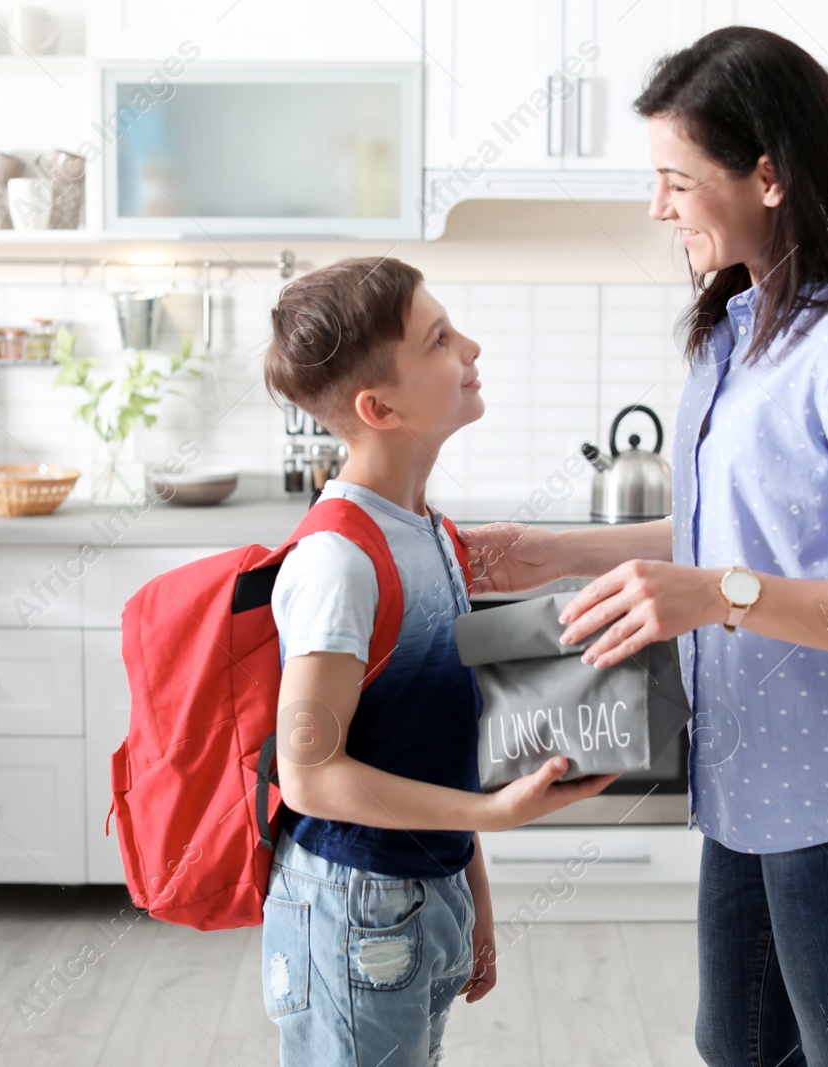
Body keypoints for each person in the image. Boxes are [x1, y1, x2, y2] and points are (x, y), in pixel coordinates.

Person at [459, 27, 828, 1067]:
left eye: (675, 179)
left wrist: (716, 594)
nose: (658, 208)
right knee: (736, 1043)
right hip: (747, 763)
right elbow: (727, 534)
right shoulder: (740, 327)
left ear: (770, 176)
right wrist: (557, 549)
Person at [260, 256, 619, 1067]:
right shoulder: (338, 560)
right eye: (439, 340)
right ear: (377, 406)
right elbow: (311, 775)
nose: (471, 347)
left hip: (422, 898)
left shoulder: (427, 532)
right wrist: (495, 815)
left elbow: (431, 739)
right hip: (355, 909)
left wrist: (471, 888)